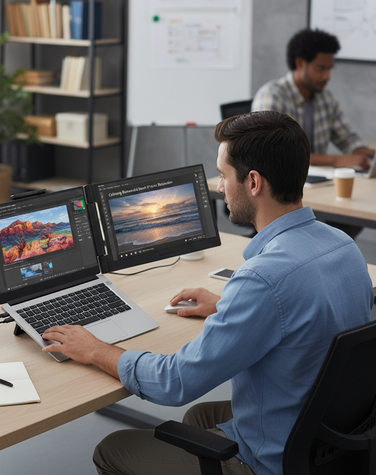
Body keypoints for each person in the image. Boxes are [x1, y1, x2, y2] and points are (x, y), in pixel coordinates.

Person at [42, 111, 374, 475]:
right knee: (200, 417)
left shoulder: (262, 279)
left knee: (112, 449)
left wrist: (97, 350)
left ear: (252, 182)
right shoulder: (343, 246)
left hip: (274, 459)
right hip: (330, 437)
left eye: (223, 174)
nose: (218, 187)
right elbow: (301, 313)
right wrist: (227, 307)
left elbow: (176, 382)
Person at [252, 28, 374, 170]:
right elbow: (273, 153)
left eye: (329, 69)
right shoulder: (272, 96)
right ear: (300, 63)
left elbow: (347, 138)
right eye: (321, 68)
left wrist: (365, 153)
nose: (327, 76)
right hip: (281, 183)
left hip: (318, 181)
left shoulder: (325, 98)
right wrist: (335, 160)